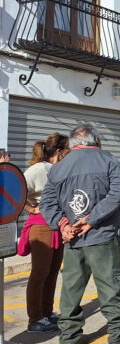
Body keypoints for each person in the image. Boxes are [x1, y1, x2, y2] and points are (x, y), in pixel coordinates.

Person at [39, 124, 120, 344]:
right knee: (109, 284)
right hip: (101, 234)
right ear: (95, 140)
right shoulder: (107, 159)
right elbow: (119, 193)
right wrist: (92, 219)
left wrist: (63, 224)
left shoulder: (58, 167)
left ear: (72, 143)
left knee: (71, 288)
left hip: (73, 239)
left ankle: (69, 338)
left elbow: (46, 203)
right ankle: (118, 332)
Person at [22, 133, 69, 332]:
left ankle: (47, 314)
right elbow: (15, 191)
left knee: (51, 272)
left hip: (55, 224)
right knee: (40, 273)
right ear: (59, 151)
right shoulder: (39, 169)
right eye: (67, 148)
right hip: (40, 225)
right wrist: (32, 208)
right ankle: (35, 319)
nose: (69, 152)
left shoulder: (56, 168)